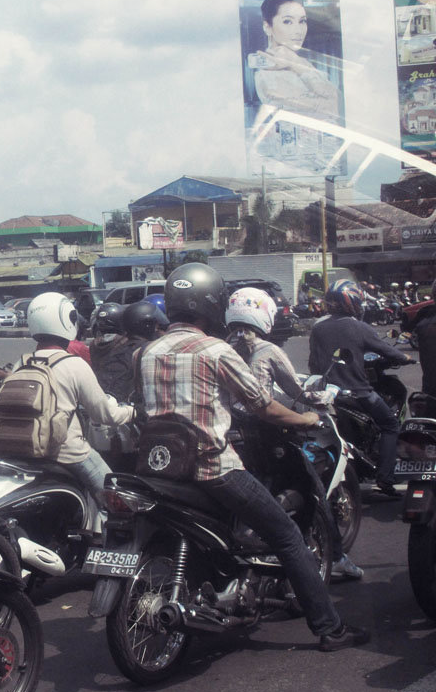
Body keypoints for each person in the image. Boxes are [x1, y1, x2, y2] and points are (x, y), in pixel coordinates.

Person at [138, 263, 368, 652]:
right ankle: (330, 628)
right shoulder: (216, 350)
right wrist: (307, 417)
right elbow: (263, 406)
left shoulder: (148, 352)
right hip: (213, 469)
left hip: (162, 468)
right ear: (210, 303)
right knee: (287, 536)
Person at [226, 287, 363, 580]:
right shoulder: (268, 350)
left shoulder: (223, 347)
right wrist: (322, 399)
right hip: (265, 434)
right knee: (313, 491)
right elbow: (297, 391)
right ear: (264, 315)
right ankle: (335, 557)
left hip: (230, 434)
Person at [24, 292, 134, 504]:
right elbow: (105, 414)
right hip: (67, 452)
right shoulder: (73, 364)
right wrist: (134, 411)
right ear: (67, 320)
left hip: (27, 449)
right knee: (119, 501)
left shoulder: (24, 362)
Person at [309, 279, 414, 497]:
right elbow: (387, 350)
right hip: (359, 392)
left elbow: (314, 364)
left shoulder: (317, 328)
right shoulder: (358, 327)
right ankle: (385, 478)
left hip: (328, 394)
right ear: (354, 301)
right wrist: (405, 357)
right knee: (390, 424)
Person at [253, 0, 339, 121]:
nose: (298, 30)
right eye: (287, 21)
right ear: (267, 27)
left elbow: (335, 100)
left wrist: (295, 62)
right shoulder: (267, 74)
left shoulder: (298, 62)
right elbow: (331, 109)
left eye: (302, 21)